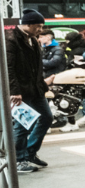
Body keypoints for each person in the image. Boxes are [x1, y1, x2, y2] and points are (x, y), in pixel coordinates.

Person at [7, 9, 53, 172]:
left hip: (35, 88)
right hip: (20, 90)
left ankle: (29, 153)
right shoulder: (11, 40)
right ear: (28, 24)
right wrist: (14, 91)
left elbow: (36, 66)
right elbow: (8, 68)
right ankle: (18, 160)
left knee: (46, 117)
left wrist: (42, 84)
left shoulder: (33, 39)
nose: (41, 30)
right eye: (38, 26)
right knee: (22, 124)